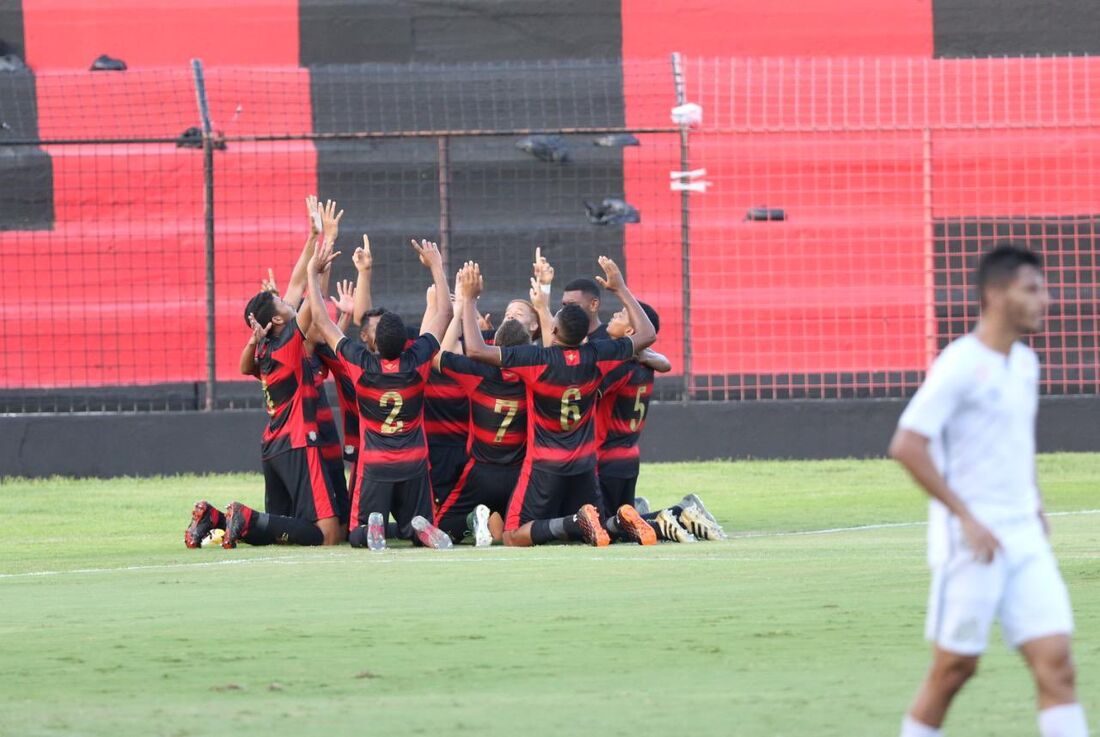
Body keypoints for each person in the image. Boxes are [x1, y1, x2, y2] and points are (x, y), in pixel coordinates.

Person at [888, 243, 1087, 737]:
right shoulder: (960, 364)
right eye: (1032, 289)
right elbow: (907, 445)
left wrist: (1035, 504)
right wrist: (967, 517)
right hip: (971, 544)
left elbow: (1015, 444)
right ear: (995, 295)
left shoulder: (1024, 364)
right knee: (954, 670)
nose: (1046, 300)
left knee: (1056, 663)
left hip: (1024, 538)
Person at [461, 257, 656, 547]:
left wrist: (468, 299)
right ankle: (619, 520)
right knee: (597, 528)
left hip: (544, 464)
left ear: (552, 331)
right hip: (585, 464)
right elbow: (648, 334)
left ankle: (574, 521)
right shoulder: (599, 355)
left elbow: (476, 350)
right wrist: (621, 289)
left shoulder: (537, 359)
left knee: (512, 536)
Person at [190, 198, 346, 549]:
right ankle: (247, 517)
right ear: (276, 319)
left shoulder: (263, 347)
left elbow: (295, 286)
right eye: (282, 305)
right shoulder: (290, 341)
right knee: (329, 535)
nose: (288, 302)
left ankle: (217, 520)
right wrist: (326, 248)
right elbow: (312, 298)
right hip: (297, 443)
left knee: (286, 530)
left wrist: (312, 237)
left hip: (273, 446)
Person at [307, 235, 453, 549]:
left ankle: (373, 527)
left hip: (374, 463)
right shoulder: (417, 362)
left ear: (372, 342)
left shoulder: (360, 364)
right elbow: (444, 315)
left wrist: (312, 273)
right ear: (406, 341)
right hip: (414, 461)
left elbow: (320, 321)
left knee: (356, 534)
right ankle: (419, 529)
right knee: (418, 525)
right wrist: (436, 266)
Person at [432, 263, 533, 545]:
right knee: (526, 528)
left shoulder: (476, 374)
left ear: (494, 344)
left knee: (440, 527)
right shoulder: (536, 373)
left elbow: (437, 356)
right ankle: (495, 523)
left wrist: (463, 304)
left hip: (480, 470)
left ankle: (476, 521)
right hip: (519, 471)